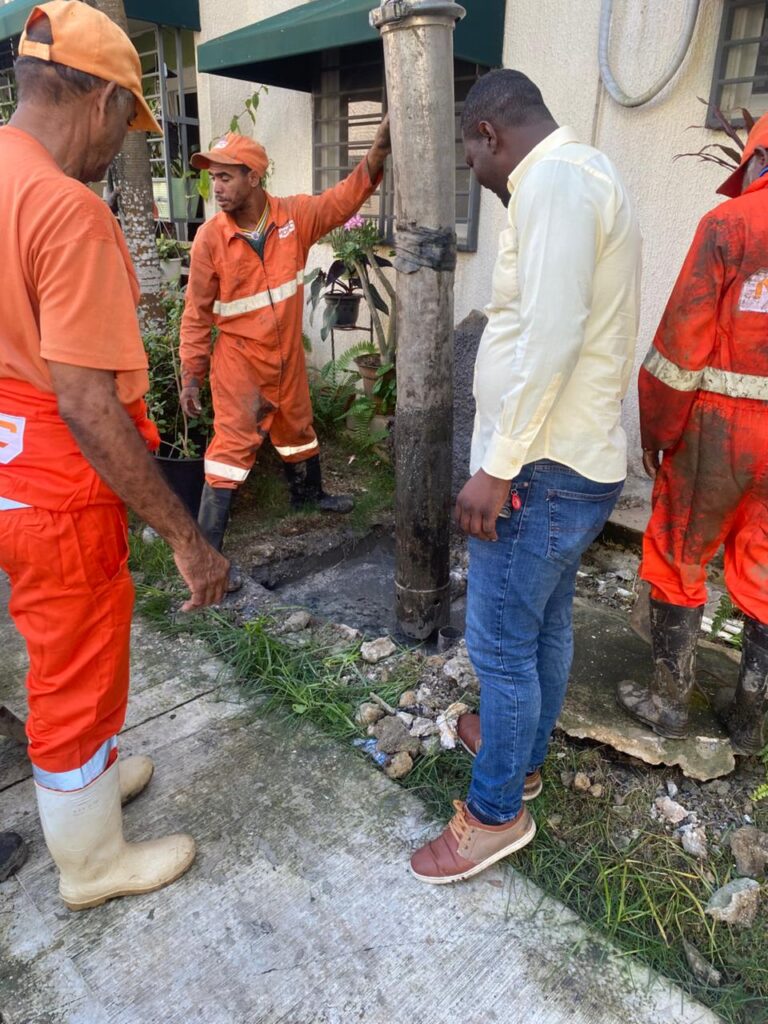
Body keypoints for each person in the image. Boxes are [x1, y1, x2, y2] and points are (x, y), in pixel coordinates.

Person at [0, 1, 229, 912]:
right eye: (126, 121)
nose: (117, 146)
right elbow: (88, 403)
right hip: (59, 487)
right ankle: (90, 864)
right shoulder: (66, 210)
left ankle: (90, 781)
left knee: (70, 652)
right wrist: (186, 536)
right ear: (98, 100)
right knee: (74, 663)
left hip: (9, 467)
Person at [410, 69, 641, 884]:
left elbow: (551, 338)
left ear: (488, 133)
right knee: (542, 627)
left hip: (540, 468)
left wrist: (498, 466)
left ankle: (494, 815)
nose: (474, 174)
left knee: (501, 648)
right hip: (566, 461)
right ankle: (524, 756)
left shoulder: (555, 184)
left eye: (470, 157)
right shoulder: (581, 174)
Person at [617, 116, 768, 756]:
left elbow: (679, 347)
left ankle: (669, 702)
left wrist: (657, 430)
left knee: (680, 554)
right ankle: (751, 722)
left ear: (757, 159)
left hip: (717, 431)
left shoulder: (729, 225)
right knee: (765, 568)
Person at [179, 120, 391, 554]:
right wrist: (191, 374)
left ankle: (308, 497)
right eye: (213, 177)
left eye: (225, 177)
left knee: (297, 426)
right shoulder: (209, 240)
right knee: (231, 449)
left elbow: (341, 201)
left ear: (253, 177)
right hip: (239, 365)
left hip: (286, 356)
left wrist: (377, 153)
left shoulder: (293, 217)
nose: (216, 188)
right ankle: (206, 551)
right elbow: (196, 313)